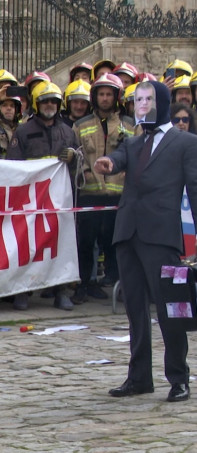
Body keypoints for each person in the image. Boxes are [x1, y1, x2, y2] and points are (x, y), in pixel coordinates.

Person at [94, 80, 197, 403]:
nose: (141, 105)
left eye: (148, 99)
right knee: (135, 309)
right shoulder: (133, 142)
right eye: (137, 99)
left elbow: (194, 189)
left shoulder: (185, 143)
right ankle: (139, 377)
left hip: (161, 235)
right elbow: (119, 157)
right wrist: (109, 163)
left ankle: (178, 378)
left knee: (172, 309)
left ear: (161, 102)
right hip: (128, 232)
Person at [7, 81, 78, 310]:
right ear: (37, 104)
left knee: (62, 246)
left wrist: (74, 158)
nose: (50, 105)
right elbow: (12, 166)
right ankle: (23, 292)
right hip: (30, 201)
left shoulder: (68, 131)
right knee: (27, 246)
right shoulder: (23, 131)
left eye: (54, 101)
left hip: (60, 202)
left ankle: (63, 291)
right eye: (45, 101)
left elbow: (78, 168)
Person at [71, 73, 135, 304]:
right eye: (101, 94)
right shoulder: (80, 125)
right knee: (86, 242)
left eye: (109, 94)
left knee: (115, 242)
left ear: (116, 97)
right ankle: (84, 285)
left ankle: (117, 286)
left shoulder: (130, 125)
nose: (105, 98)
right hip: (90, 194)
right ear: (94, 97)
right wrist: (84, 172)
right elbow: (76, 155)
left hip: (119, 195)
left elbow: (135, 155)